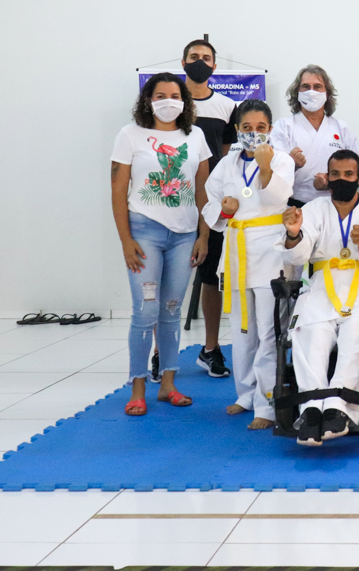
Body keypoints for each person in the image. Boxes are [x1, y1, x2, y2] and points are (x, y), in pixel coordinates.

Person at [279, 150, 359, 445]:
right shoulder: (312, 210)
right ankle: (311, 408)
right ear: (327, 178)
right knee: (309, 331)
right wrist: (293, 234)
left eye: (348, 175)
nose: (341, 179)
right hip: (321, 288)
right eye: (335, 174)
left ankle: (339, 409)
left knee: (357, 335)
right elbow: (297, 256)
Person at [111, 72, 211, 415]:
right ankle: (138, 386)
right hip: (144, 234)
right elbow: (118, 191)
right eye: (160, 95)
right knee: (145, 311)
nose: (168, 101)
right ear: (148, 100)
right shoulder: (129, 134)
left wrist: (203, 235)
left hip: (184, 236)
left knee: (170, 311)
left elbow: (203, 192)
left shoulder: (195, 136)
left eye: (175, 95)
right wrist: (125, 240)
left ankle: (168, 384)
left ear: (185, 101)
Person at [201, 100, 295, 430]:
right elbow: (209, 202)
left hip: (270, 251)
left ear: (270, 129)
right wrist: (224, 212)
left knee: (269, 331)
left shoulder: (281, 160)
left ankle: (267, 404)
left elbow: (277, 200)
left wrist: (265, 168)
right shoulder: (226, 164)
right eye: (247, 128)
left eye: (260, 128)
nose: (253, 134)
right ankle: (245, 393)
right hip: (237, 252)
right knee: (242, 331)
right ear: (237, 130)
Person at [173, 39, 237, 380]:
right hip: (171, 200)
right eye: (194, 57)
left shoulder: (227, 107)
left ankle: (210, 348)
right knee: (168, 282)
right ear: (183, 62)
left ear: (214, 65)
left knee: (211, 276)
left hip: (210, 205)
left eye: (206, 58)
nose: (200, 61)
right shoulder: (168, 103)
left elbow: (226, 156)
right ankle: (161, 354)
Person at [270, 64, 359, 206]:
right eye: (305, 86)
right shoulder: (283, 126)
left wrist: (332, 183)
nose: (311, 92)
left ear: (327, 93)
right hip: (295, 205)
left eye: (317, 87)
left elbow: (358, 169)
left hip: (334, 205)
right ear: (297, 92)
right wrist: (291, 163)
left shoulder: (341, 128)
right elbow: (272, 172)